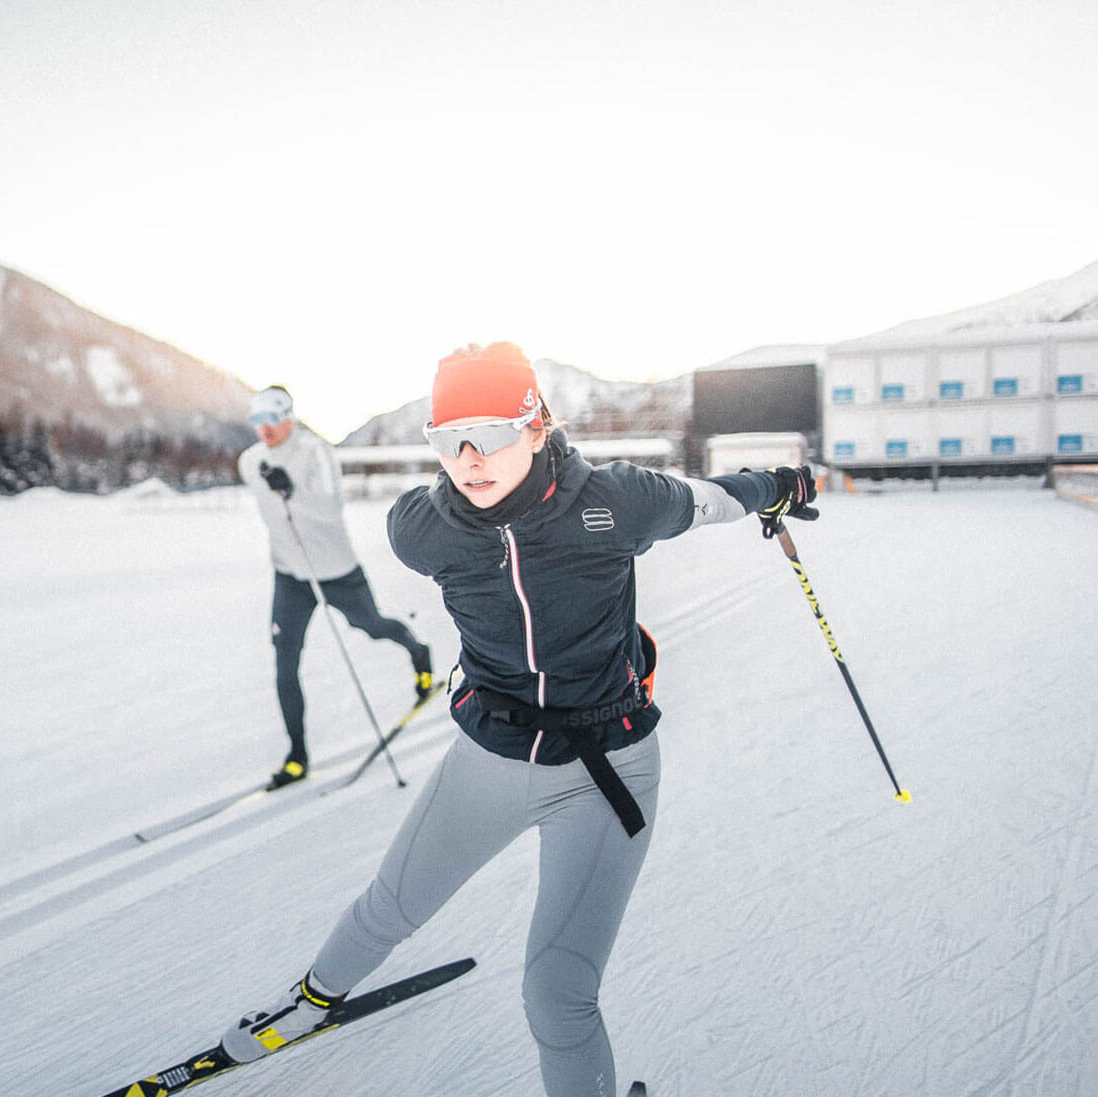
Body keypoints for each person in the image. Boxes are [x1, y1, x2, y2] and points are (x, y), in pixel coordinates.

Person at [220, 344, 819, 1097]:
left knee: (556, 993)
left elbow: (709, 497)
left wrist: (778, 487)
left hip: (607, 772)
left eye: (491, 434)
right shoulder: (423, 527)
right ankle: (308, 1002)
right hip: (491, 758)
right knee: (390, 903)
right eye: (447, 438)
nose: (468, 459)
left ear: (536, 426)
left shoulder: (616, 501)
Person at [236, 385, 435, 790]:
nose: (265, 428)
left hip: (337, 571)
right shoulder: (250, 461)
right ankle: (297, 756)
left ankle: (419, 652)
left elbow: (329, 506)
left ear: (289, 416)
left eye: (271, 418)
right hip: (291, 575)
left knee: (372, 627)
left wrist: (291, 488)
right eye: (257, 420)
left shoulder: (315, 452)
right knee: (285, 657)